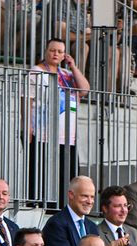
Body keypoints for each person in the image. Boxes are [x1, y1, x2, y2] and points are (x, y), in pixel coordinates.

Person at [27, 38, 89, 207]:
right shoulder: (36, 71)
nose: (56, 54)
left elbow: (84, 89)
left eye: (60, 52)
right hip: (44, 133)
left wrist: (73, 66)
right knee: (41, 173)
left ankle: (64, 208)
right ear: (46, 52)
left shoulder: (67, 74)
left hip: (67, 135)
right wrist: (27, 127)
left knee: (67, 176)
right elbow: (27, 100)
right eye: (53, 50)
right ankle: (39, 206)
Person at [43, 175, 100, 246]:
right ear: (71, 195)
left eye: (92, 197)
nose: (89, 201)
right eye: (84, 196)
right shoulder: (56, 224)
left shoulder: (92, 226)